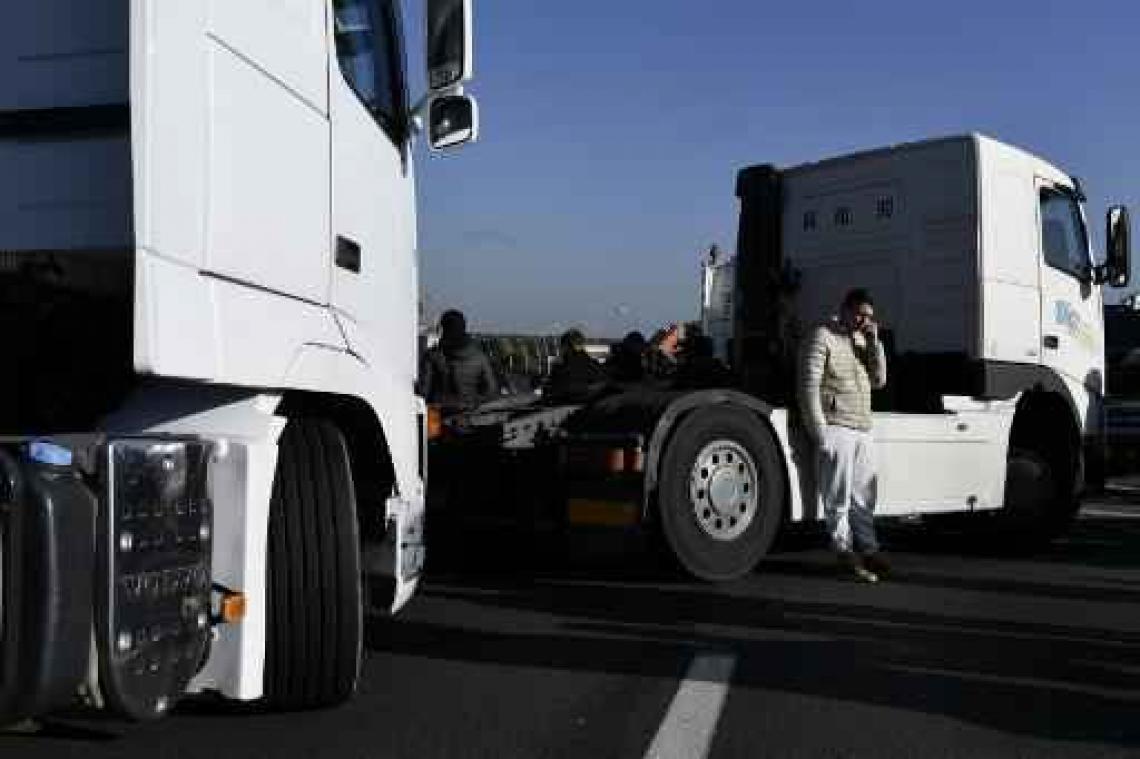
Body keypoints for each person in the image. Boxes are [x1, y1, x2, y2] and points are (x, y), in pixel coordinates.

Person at [798, 288, 890, 582]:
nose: (865, 320)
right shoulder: (822, 335)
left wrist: (875, 343)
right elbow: (808, 385)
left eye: (869, 316)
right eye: (861, 314)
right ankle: (843, 551)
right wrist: (820, 432)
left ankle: (870, 550)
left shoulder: (864, 340)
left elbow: (880, 380)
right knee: (837, 496)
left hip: (862, 427)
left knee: (864, 495)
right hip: (836, 426)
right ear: (846, 309)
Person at [419, 309, 498, 409]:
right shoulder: (480, 357)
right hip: (472, 416)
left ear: (445, 330)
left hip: (441, 415)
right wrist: (472, 402)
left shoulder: (432, 356)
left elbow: (423, 391)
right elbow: (491, 391)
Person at [545, 328, 608, 402]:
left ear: (565, 346)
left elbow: (553, 388)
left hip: (567, 402)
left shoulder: (560, 367)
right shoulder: (594, 365)